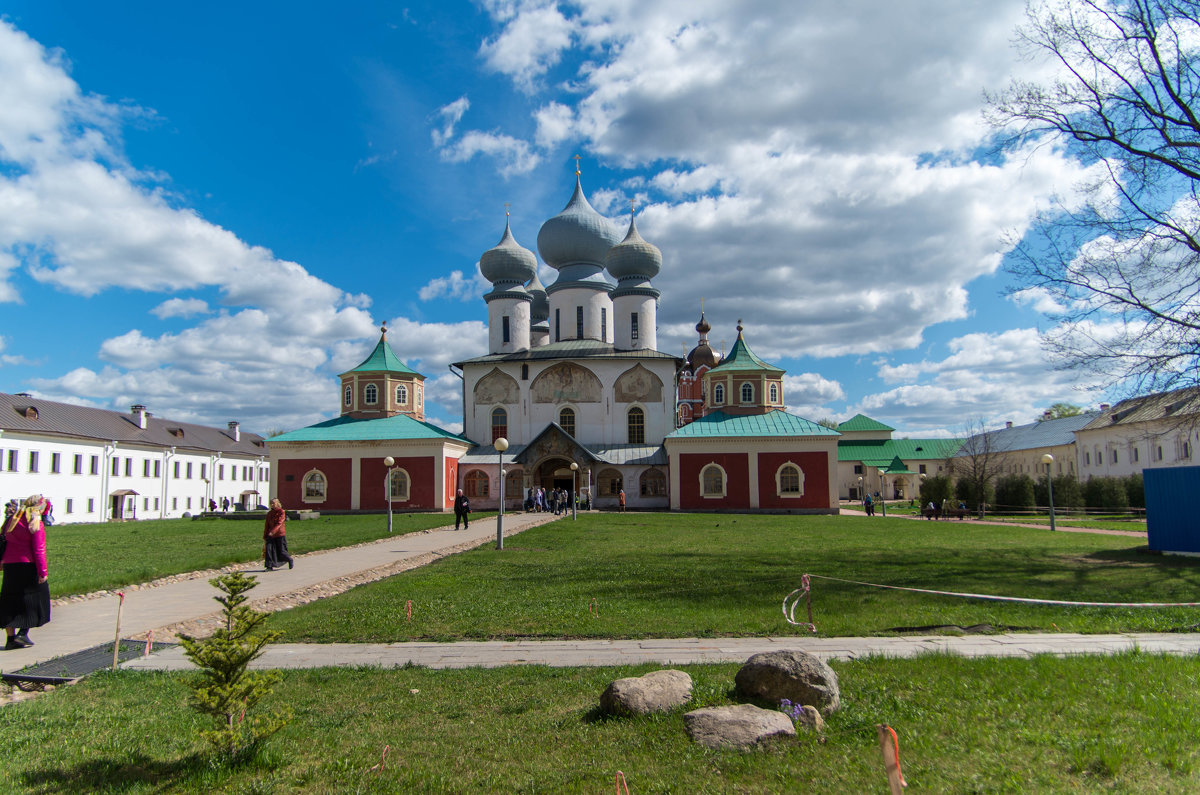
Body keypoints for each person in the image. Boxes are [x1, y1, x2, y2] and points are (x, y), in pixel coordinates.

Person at [0, 495, 51, 649]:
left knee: (9, 600)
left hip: (10, 565)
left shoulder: (11, 520)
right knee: (34, 598)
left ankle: (10, 640)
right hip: (28, 565)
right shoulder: (34, 523)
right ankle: (23, 633)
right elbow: (39, 549)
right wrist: (43, 572)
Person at [263, 498, 294, 571]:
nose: (272, 504)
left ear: (277, 503)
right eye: (271, 503)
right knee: (269, 550)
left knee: (281, 551)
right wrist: (265, 535)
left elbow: (279, 523)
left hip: (279, 534)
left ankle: (289, 559)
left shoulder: (281, 512)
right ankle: (269, 566)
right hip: (270, 535)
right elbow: (267, 525)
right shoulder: (269, 513)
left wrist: (273, 532)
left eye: (273, 503)